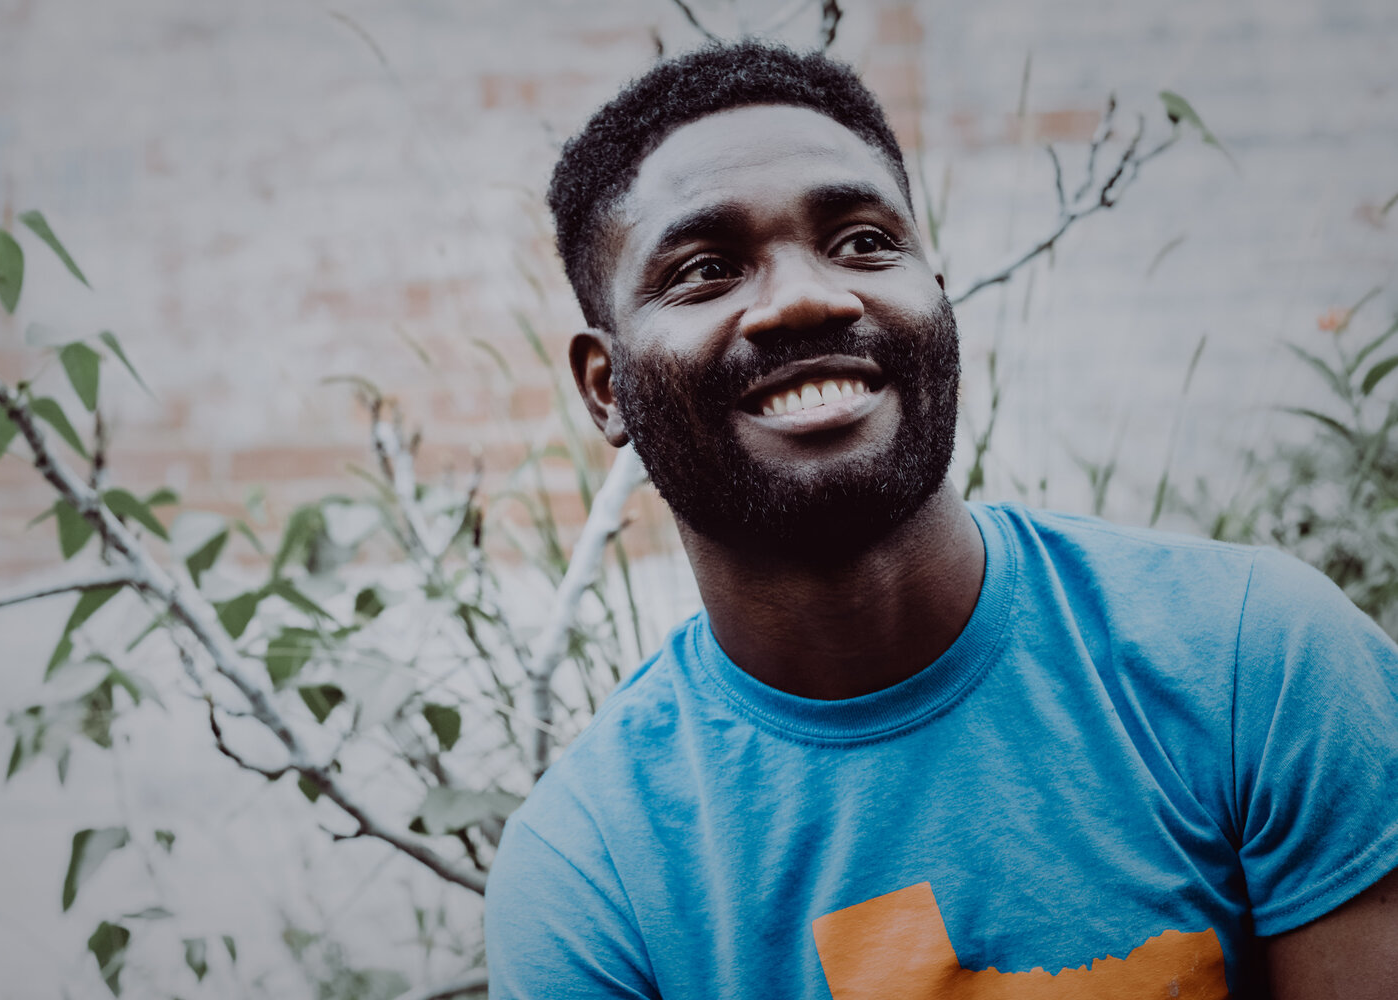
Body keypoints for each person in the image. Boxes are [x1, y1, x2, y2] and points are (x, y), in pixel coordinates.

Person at [483, 40, 1398, 999]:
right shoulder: (592, 876)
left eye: (864, 242)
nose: (807, 296)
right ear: (605, 388)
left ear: (937, 293)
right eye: (708, 269)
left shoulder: (1259, 662)